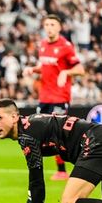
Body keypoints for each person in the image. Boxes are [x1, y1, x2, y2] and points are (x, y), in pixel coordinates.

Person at [23, 15, 85, 180]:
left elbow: (80, 69)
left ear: (59, 27)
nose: (49, 27)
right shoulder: (42, 45)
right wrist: (33, 70)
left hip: (60, 96)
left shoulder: (66, 46)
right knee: (37, 133)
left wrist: (66, 72)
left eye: (52, 24)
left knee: (58, 135)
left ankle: (65, 169)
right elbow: (45, 67)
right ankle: (42, 167)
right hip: (44, 97)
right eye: (46, 24)